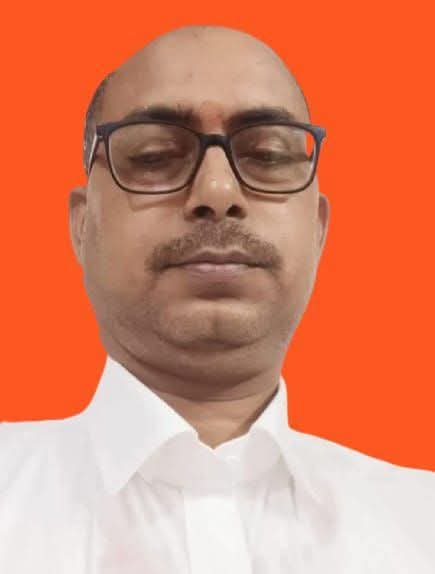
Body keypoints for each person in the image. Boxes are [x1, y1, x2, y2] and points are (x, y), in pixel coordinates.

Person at [0, 24, 434, 574]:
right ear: (82, 226)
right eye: (155, 156)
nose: (217, 192)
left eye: (267, 155)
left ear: (319, 228)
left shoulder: (421, 523)